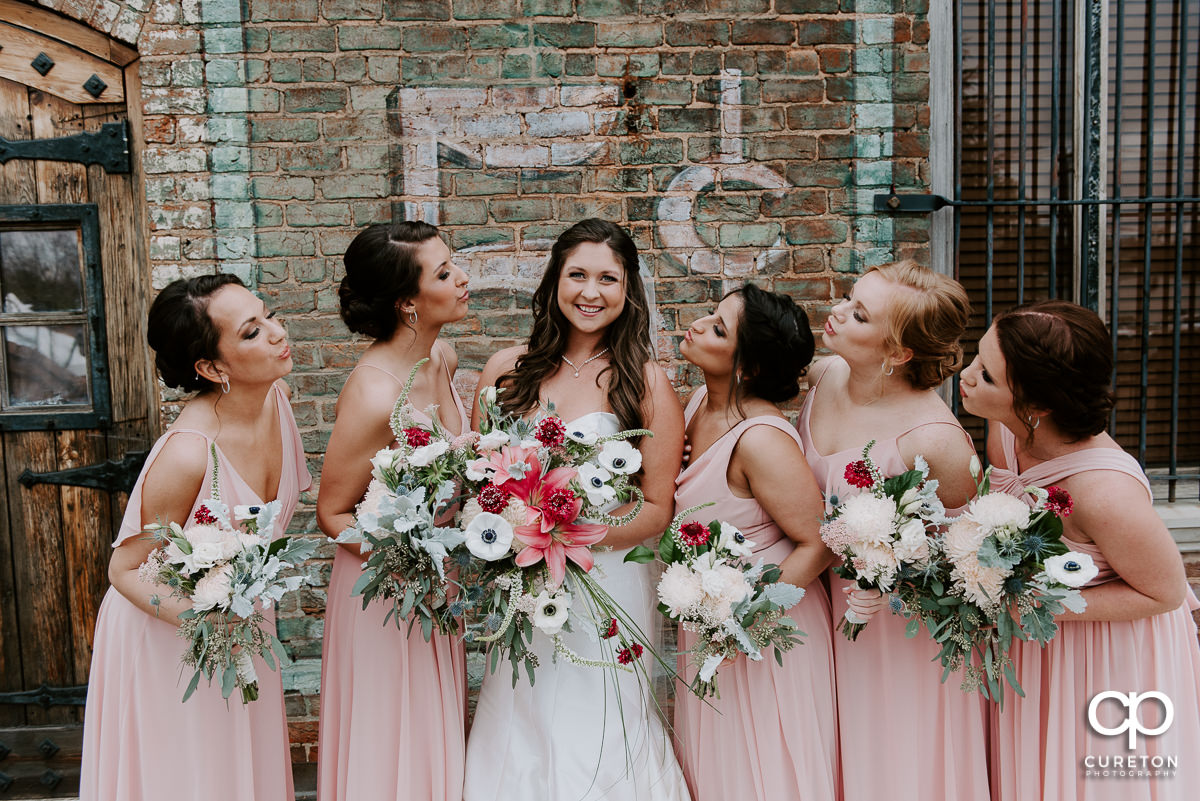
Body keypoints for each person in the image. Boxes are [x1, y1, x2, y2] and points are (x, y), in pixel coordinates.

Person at [462, 218, 690, 801]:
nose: (591, 292)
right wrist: (516, 536)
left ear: (628, 290)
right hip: (524, 578)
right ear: (554, 282)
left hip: (605, 579)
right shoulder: (506, 371)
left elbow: (657, 507)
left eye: (608, 279)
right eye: (578, 275)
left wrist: (564, 537)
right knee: (524, 705)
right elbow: (478, 482)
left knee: (600, 715)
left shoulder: (645, 383)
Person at [80, 275, 309, 801]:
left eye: (269, 315)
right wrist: (210, 619)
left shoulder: (278, 398)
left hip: (242, 629)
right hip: (174, 636)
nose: (277, 332)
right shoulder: (187, 454)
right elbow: (123, 570)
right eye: (252, 332)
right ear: (211, 368)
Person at [959, 299, 1200, 800]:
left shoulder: (1103, 492)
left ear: (1035, 407)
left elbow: (1166, 593)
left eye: (985, 375)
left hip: (1108, 653)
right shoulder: (1006, 430)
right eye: (975, 357)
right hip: (1038, 647)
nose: (966, 374)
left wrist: (1028, 606)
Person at [795, 261, 990, 801]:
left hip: (894, 636)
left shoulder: (937, 442)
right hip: (815, 614)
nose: (836, 311)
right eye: (849, 298)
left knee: (893, 770)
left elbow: (971, 558)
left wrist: (889, 563)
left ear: (899, 353)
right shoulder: (824, 375)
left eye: (858, 314)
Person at [316, 222, 471, 801]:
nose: (462, 279)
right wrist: (405, 555)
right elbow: (331, 513)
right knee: (392, 741)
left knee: (431, 729)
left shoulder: (443, 357)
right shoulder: (376, 393)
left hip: (438, 586)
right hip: (385, 588)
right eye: (444, 273)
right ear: (408, 303)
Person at [672, 284, 838, 800]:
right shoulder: (700, 400)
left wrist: (743, 619)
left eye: (719, 329)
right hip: (710, 622)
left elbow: (821, 543)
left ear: (747, 369)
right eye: (710, 314)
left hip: (767, 630)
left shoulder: (761, 439)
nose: (699, 325)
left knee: (767, 772)